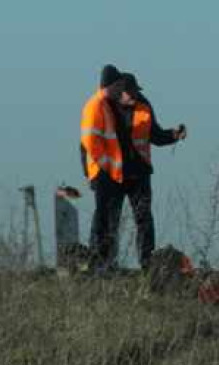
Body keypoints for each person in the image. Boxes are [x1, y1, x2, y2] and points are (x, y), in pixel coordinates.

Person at [120, 72, 188, 270]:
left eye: (135, 91)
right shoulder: (108, 107)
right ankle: (105, 265)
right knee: (110, 220)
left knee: (144, 219)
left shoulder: (144, 105)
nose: (133, 95)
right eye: (129, 91)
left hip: (140, 172)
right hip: (114, 173)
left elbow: (155, 136)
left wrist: (174, 134)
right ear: (119, 92)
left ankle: (147, 265)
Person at [78, 70, 136, 272]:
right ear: (110, 85)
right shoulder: (95, 106)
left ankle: (105, 261)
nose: (122, 90)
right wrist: (106, 166)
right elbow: (90, 142)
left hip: (109, 172)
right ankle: (97, 262)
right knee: (102, 219)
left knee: (108, 219)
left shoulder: (104, 105)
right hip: (103, 172)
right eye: (119, 86)